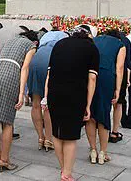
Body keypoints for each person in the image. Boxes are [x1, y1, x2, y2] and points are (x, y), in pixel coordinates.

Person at [44, 26, 99, 181]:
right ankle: (67, 173)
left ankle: (63, 169)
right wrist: (88, 105)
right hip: (75, 95)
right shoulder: (91, 48)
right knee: (70, 136)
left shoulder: (59, 44)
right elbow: (92, 78)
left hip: (54, 93)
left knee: (57, 133)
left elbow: (49, 73)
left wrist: (46, 96)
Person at [0, 30, 38, 171]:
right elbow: (25, 68)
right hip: (11, 75)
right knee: (8, 122)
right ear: (35, 41)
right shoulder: (31, 46)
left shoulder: (8, 41)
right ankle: (5, 159)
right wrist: (22, 93)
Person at [86, 34, 124, 165]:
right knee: (104, 113)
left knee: (90, 113)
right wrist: (117, 89)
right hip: (107, 76)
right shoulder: (120, 44)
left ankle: (93, 150)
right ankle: (103, 152)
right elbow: (119, 68)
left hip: (91, 74)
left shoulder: (94, 40)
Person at [27, 30, 67, 152]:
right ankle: (49, 139)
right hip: (49, 62)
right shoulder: (64, 36)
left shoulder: (45, 35)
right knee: (48, 103)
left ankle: (40, 137)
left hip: (35, 61)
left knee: (36, 103)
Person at [108, 31, 131, 142]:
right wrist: (127, 79)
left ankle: (104, 131)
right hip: (120, 75)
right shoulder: (125, 41)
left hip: (106, 73)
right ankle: (114, 132)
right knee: (118, 104)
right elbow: (127, 63)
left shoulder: (102, 42)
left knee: (106, 104)